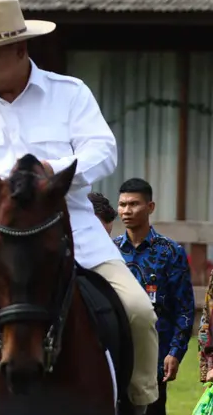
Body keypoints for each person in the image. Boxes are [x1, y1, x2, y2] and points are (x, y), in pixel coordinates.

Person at [0, 0, 159, 415]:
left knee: (138, 312)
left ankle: (140, 402)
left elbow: (103, 150)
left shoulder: (70, 94)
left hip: (70, 231)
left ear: (21, 50)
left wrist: (53, 172)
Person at [114, 178, 194, 415]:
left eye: (134, 204)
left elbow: (185, 308)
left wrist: (175, 352)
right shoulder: (111, 251)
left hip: (155, 357)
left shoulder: (170, 252)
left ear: (150, 207)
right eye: (122, 204)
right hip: (118, 352)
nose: (126, 211)